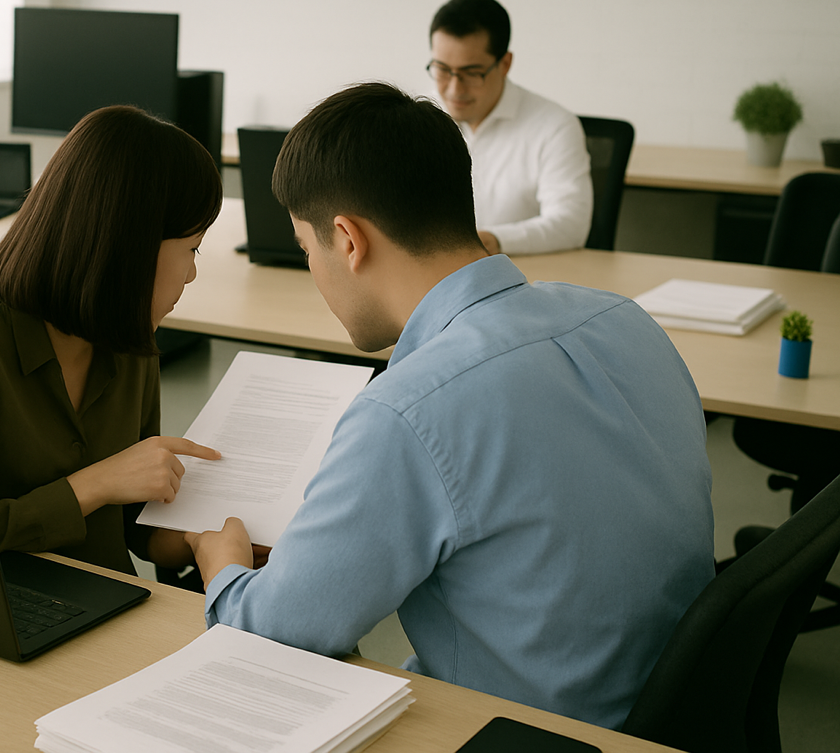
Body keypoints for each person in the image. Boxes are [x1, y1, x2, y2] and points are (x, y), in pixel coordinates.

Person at [185, 83, 714, 729]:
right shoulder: (623, 318)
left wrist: (223, 565)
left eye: (305, 248)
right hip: (671, 709)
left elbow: (269, 633)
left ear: (347, 240)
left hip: (527, 734)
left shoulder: (408, 412)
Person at [0, 105, 223, 576]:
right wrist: (92, 485)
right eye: (192, 248)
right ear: (129, 248)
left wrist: (201, 541)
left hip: (110, 602)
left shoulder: (131, 343)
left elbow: (135, 524)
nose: (191, 274)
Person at [427, 0, 593, 255]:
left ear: (505, 64)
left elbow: (571, 224)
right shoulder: (421, 116)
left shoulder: (554, 126)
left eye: (472, 73)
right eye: (443, 70)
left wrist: (494, 240)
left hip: (521, 272)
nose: (454, 89)